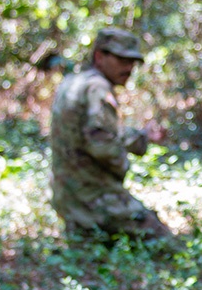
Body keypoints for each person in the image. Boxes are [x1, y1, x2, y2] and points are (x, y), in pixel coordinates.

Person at [49, 26, 173, 242]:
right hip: (95, 196)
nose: (129, 68)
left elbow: (95, 131)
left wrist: (141, 137)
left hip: (67, 195)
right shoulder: (97, 88)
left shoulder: (74, 82)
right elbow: (102, 143)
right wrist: (121, 166)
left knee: (92, 263)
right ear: (99, 56)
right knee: (168, 247)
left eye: (132, 62)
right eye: (122, 60)